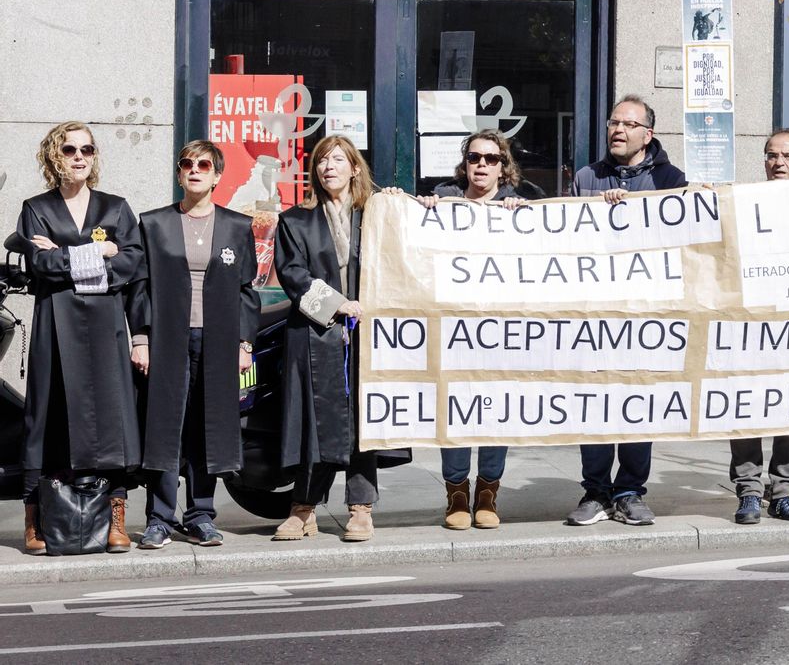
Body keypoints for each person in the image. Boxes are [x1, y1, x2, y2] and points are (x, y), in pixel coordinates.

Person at [272, 135, 409, 542]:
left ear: (354, 167)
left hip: (370, 332)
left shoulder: (377, 213)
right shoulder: (296, 220)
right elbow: (293, 275)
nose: (329, 166)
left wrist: (403, 202)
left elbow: (406, 252)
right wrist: (337, 304)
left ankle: (361, 507)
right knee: (315, 420)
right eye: (321, 161)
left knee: (364, 417)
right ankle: (304, 507)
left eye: (337, 159)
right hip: (317, 333)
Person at [15, 122, 144, 554]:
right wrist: (96, 254)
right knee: (47, 414)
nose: (79, 156)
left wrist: (64, 255)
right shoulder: (36, 207)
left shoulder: (116, 207)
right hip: (57, 323)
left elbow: (129, 266)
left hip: (106, 324)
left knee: (113, 416)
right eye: (70, 149)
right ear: (55, 155)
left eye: (87, 149)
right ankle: (35, 518)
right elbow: (39, 266)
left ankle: (115, 516)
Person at [129, 141, 260, 549]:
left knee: (210, 425)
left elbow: (246, 291)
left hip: (219, 340)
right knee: (164, 425)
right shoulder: (154, 224)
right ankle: (159, 518)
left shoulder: (237, 227)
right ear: (179, 173)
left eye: (204, 165)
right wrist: (140, 338)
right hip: (168, 338)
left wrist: (245, 344)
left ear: (218, 176)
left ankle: (201, 515)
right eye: (187, 164)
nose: (195, 170)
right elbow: (140, 287)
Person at [565, 95, 686, 528]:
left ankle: (631, 490)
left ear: (647, 134)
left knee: (638, 403)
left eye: (628, 124)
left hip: (645, 317)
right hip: (596, 315)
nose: (617, 130)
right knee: (595, 404)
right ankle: (595, 491)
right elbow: (568, 241)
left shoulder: (672, 180)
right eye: (613, 121)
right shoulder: (586, 178)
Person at [412, 129, 539, 529]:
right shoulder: (443, 200)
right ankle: (456, 496)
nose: (481, 164)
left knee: (494, 410)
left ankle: (488, 493)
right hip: (453, 327)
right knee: (454, 410)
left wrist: (525, 219)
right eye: (474, 157)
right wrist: (422, 209)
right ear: (464, 164)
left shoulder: (520, 204)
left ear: (504, 167)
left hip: (502, 329)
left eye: (491, 158)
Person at [729, 128, 789, 525]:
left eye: (786, 155)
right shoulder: (743, 202)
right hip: (752, 321)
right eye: (771, 155)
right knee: (747, 404)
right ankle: (748, 490)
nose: (777, 162)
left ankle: (785, 491)